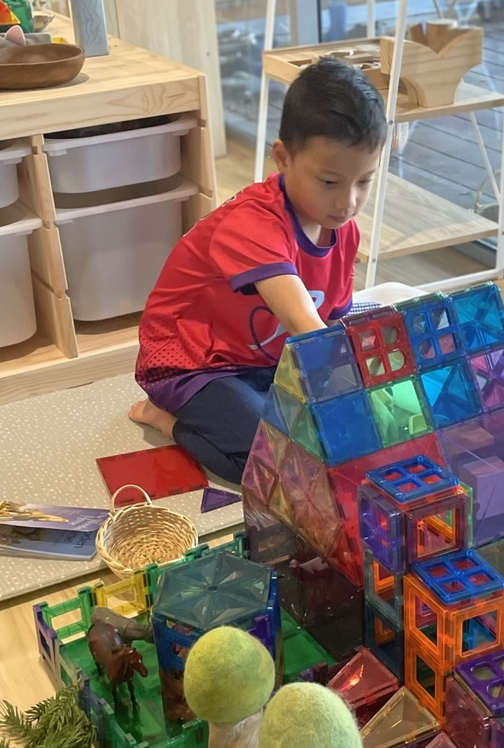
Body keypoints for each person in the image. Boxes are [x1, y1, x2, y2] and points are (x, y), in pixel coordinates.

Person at [130, 58, 388, 483]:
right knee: (273, 459)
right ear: (283, 157)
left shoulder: (344, 232)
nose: (348, 202)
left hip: (262, 360)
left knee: (326, 435)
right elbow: (306, 324)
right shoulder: (254, 222)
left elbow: (333, 325)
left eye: (364, 181)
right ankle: (167, 420)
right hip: (192, 362)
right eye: (329, 182)